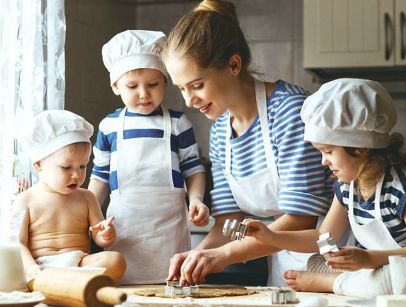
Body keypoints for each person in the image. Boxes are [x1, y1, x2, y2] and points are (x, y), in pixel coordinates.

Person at [162, 0, 333, 286]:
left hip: (331, 259)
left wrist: (221, 256)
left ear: (234, 64)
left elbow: (300, 219)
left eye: (197, 85)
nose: (189, 101)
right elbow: (228, 222)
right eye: (181, 88)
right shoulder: (219, 132)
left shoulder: (290, 111)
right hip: (283, 267)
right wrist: (196, 255)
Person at [243, 78, 406, 298]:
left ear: (359, 148)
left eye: (329, 152)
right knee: (317, 262)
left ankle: (330, 282)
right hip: (372, 269)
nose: (324, 161)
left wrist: (369, 259)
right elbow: (323, 236)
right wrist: (269, 236)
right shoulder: (348, 187)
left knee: (388, 280)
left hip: (401, 272)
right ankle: (337, 279)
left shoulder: (401, 188)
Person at [88, 30, 209, 284]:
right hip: (124, 230)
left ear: (165, 82)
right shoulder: (109, 126)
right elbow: (99, 178)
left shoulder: (179, 123)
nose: (144, 93)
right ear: (115, 86)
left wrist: (196, 199)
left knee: (171, 288)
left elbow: (193, 169)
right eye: (133, 86)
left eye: (153, 84)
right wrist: (89, 218)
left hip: (169, 230)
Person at [14, 110, 126, 282]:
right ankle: (60, 284)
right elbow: (18, 243)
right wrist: (32, 268)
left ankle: (65, 284)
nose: (76, 175)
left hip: (79, 264)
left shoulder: (87, 198)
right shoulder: (27, 199)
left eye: (82, 166)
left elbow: (98, 236)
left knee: (115, 260)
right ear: (38, 164)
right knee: (16, 265)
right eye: (66, 167)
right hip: (41, 266)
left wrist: (104, 235)